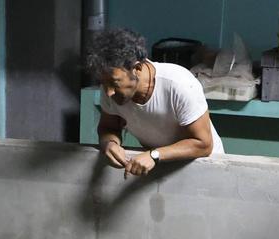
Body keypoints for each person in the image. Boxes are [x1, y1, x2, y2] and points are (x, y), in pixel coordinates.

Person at [86, 28, 224, 178]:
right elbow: (109, 127)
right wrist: (110, 143)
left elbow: (203, 144)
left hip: (206, 166)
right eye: (103, 83)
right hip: (159, 164)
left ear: (137, 68)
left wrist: (155, 155)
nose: (108, 92)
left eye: (114, 83)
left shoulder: (179, 84)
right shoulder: (111, 89)